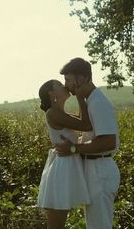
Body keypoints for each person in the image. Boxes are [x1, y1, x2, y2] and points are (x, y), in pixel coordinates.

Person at [55, 58, 120, 229]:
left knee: (100, 225)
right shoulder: (90, 100)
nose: (66, 85)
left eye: (68, 80)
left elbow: (108, 141)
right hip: (94, 169)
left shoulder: (98, 103)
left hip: (100, 170)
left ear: (82, 78)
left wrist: (73, 148)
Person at [37, 79, 93, 229]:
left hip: (69, 166)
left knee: (60, 222)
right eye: (60, 85)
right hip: (62, 170)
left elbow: (83, 121)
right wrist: (81, 97)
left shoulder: (62, 113)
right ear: (52, 93)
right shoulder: (53, 113)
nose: (65, 86)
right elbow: (86, 125)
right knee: (56, 224)